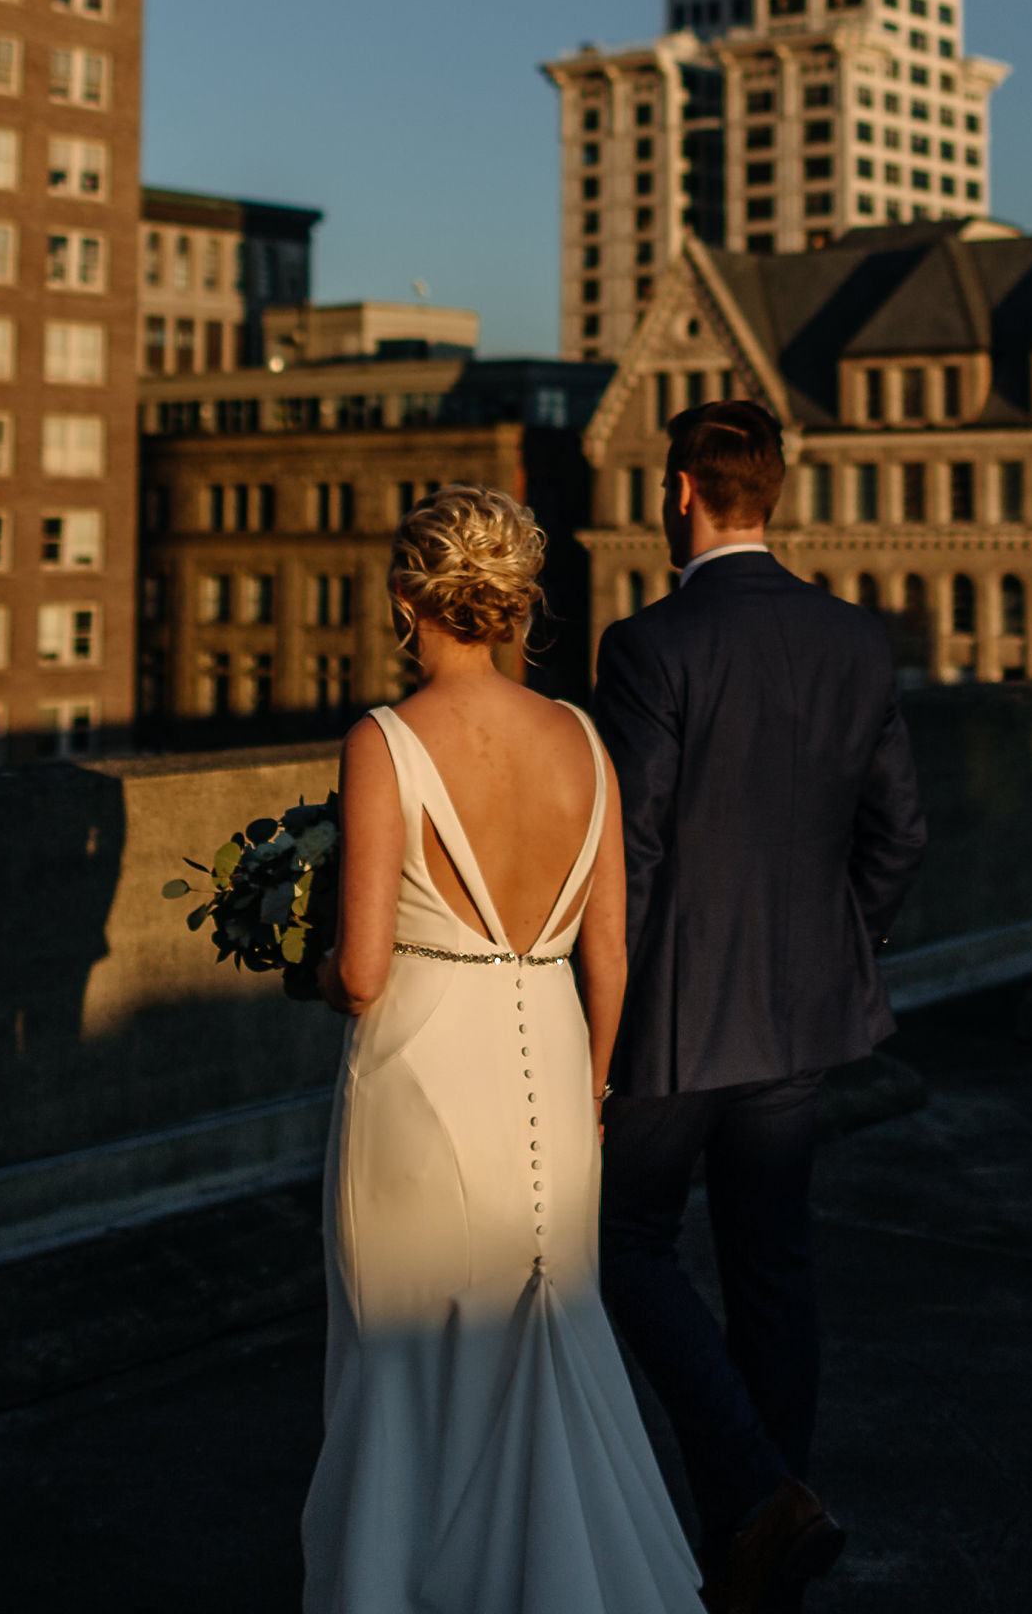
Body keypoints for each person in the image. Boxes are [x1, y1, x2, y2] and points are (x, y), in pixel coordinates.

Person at [301, 485, 705, 1614]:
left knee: (401, 1369)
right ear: (518, 605)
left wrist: (312, 971)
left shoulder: (386, 740)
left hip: (425, 1081)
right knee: (548, 1356)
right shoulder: (582, 737)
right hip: (555, 1067)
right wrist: (594, 1088)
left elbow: (366, 970)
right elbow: (612, 951)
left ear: (404, 599)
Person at [592, 400, 926, 1614]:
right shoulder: (853, 640)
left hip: (679, 1019)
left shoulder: (648, 646)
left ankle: (757, 1498)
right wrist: (844, 945)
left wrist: (595, 1021)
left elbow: (625, 857)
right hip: (801, 1013)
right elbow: (900, 833)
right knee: (773, 1265)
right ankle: (769, 1538)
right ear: (770, 494)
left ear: (680, 492)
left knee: (616, 1244)